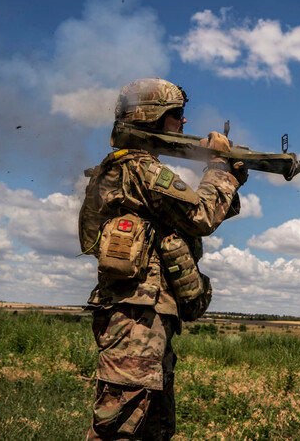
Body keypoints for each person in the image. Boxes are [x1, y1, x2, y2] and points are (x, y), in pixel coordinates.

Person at [78, 78, 247, 440]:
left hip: (145, 312)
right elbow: (200, 215)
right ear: (153, 117)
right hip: (135, 316)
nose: (184, 123)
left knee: (152, 425)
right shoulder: (142, 167)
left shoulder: (130, 167)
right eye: (177, 115)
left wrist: (229, 178)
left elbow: (190, 217)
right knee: (121, 425)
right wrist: (218, 168)